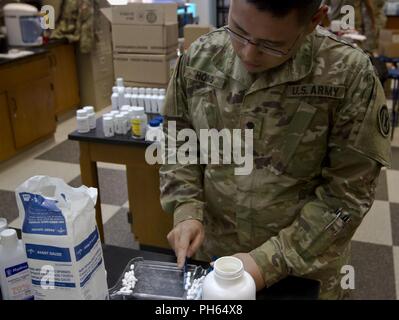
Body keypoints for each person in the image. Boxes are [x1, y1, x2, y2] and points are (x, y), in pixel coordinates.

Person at [159, 0, 391, 299]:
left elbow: (347, 197)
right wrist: (186, 207)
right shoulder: (200, 58)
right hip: (218, 263)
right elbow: (178, 139)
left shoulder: (348, 75)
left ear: (314, 20)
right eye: (238, 30)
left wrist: (265, 263)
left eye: (272, 44)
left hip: (303, 269)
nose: (248, 53)